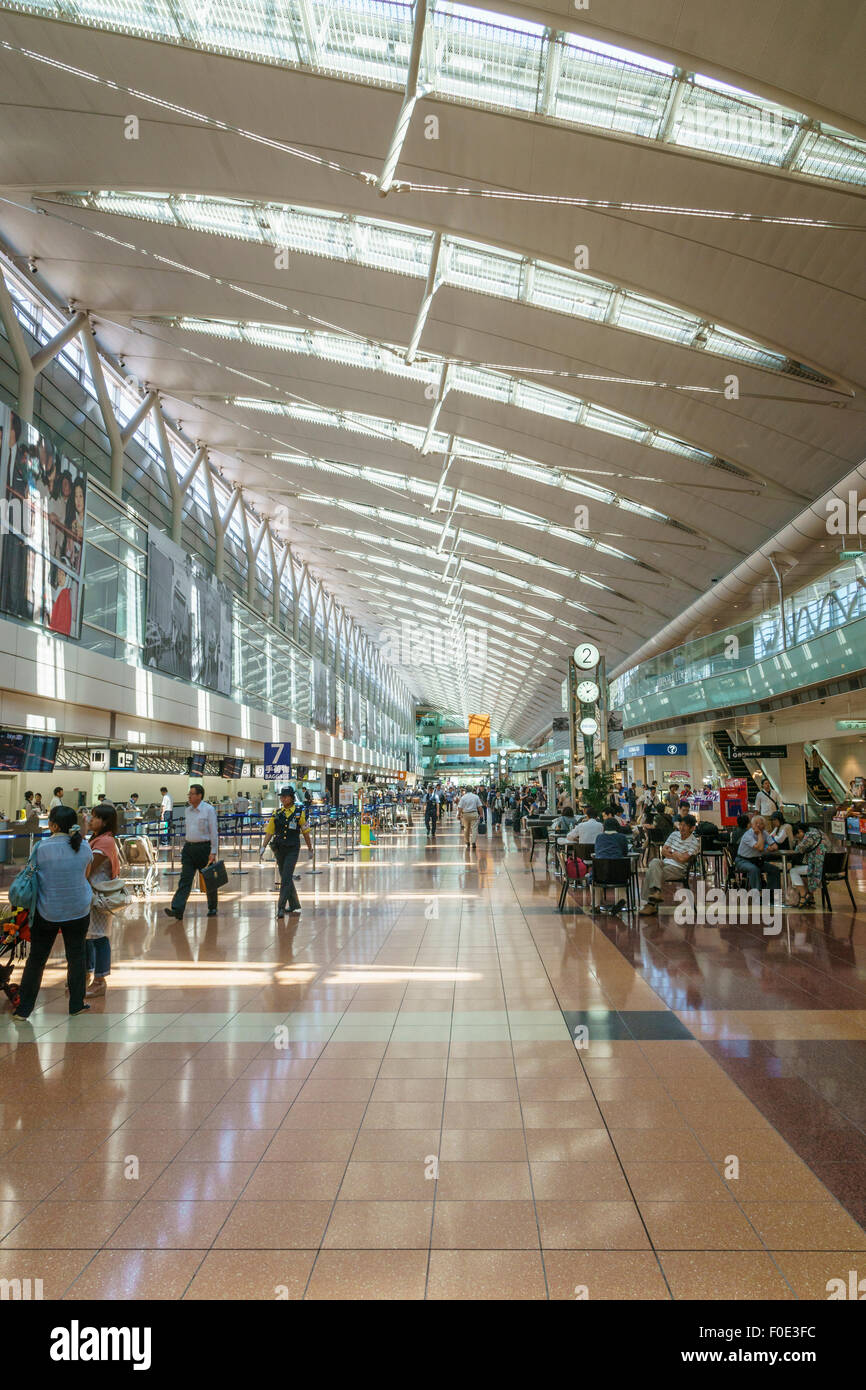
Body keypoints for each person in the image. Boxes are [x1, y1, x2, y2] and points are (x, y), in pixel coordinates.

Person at [12, 805, 93, 1019]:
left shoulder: (41, 848)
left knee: (37, 960)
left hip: (47, 910)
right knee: (76, 957)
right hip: (78, 909)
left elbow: (33, 873)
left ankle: (24, 1009)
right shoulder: (84, 846)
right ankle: (76, 1004)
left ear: (54, 825)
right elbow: (86, 874)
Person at [164, 784, 219, 921]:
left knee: (208, 880)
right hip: (189, 848)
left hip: (204, 849)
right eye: (189, 794)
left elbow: (214, 832)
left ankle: (212, 907)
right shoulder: (187, 810)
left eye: (191, 794)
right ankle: (177, 909)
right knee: (185, 879)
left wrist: (213, 851)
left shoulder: (208, 810)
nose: (189, 796)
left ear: (199, 795)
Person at [260, 786, 312, 918]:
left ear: (291, 798)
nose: (283, 799)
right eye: (281, 797)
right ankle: (294, 904)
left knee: (286, 877)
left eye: (285, 796)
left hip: (292, 848)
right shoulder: (276, 813)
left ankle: (280, 908)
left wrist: (310, 848)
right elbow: (270, 831)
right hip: (279, 849)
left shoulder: (300, 813)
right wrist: (263, 846)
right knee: (286, 877)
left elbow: (305, 831)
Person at [85, 802, 120, 997]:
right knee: (88, 937)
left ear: (105, 821)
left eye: (95, 817)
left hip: (99, 896)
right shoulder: (96, 838)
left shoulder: (106, 841)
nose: (91, 819)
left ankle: (100, 980)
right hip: (90, 895)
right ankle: (86, 975)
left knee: (99, 937)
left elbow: (89, 866)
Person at [639, 814, 698, 915]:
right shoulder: (674, 834)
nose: (681, 828)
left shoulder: (694, 842)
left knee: (651, 871)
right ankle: (656, 893)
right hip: (665, 863)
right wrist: (677, 854)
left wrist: (672, 851)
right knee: (654, 862)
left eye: (685, 826)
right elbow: (663, 852)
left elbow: (683, 859)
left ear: (692, 828)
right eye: (681, 825)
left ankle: (651, 904)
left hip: (678, 869)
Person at [788, 822, 828, 907]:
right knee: (801, 870)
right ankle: (811, 898)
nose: (797, 838)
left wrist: (799, 841)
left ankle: (804, 896)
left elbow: (798, 849)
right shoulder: (819, 832)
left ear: (800, 831)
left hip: (819, 868)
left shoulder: (810, 835)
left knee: (793, 871)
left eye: (797, 836)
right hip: (829, 866)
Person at [734, 815, 771, 891]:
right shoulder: (748, 834)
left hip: (756, 860)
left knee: (774, 869)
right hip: (742, 860)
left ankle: (772, 892)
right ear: (750, 825)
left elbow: (774, 845)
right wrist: (760, 835)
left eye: (761, 823)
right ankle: (757, 893)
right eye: (756, 823)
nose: (758, 825)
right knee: (754, 869)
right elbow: (760, 848)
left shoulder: (734, 832)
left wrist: (771, 847)